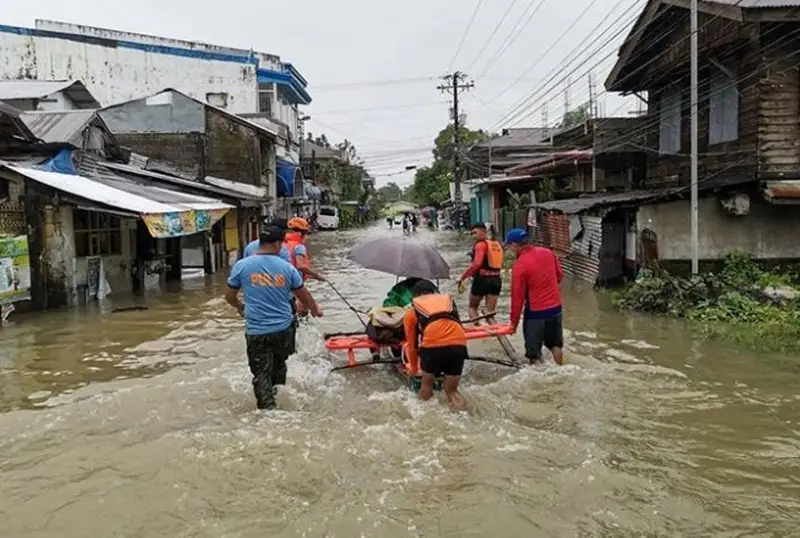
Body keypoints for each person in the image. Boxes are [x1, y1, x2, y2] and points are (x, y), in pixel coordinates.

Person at [225, 225, 323, 410]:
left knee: (261, 374)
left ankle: (267, 412)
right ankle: (279, 398)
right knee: (280, 366)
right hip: (283, 330)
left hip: (256, 332)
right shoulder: (287, 268)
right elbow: (304, 296)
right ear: (279, 244)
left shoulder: (242, 266)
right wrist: (316, 310)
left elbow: (229, 296)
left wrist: (240, 307)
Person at [403, 280, 468, 411]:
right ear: (434, 292)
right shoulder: (449, 302)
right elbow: (457, 325)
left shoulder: (412, 310)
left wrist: (414, 369)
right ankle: (466, 416)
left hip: (432, 346)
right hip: (458, 344)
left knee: (426, 385)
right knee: (452, 391)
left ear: (416, 295)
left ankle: (423, 415)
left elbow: (412, 345)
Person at [505, 228, 565, 365]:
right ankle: (560, 368)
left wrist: (513, 323)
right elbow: (560, 275)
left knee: (534, 354)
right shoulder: (548, 253)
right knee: (556, 345)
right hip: (556, 308)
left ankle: (538, 378)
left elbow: (517, 298)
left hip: (536, 313)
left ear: (515, 245)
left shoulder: (519, 265)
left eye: (509, 246)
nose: (510, 250)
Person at [457, 223, 504, 324]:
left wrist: (463, 277)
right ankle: (496, 333)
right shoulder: (497, 244)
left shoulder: (480, 245)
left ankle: (477, 329)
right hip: (496, 280)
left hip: (482, 280)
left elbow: (476, 264)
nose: (473, 236)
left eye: (475, 232)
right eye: (472, 233)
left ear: (483, 231)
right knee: (489, 312)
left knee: (472, 307)